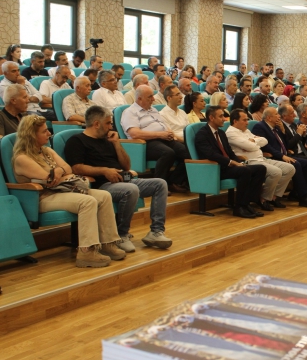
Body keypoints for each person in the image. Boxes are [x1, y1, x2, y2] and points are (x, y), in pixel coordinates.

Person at [12, 115, 124, 267]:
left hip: (61, 192)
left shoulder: (46, 150)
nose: (49, 133)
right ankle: (86, 252)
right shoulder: (22, 158)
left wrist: (59, 171)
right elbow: (49, 179)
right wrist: (59, 172)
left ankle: (107, 244)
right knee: (87, 201)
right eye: (44, 131)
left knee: (104, 196)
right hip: (42, 198)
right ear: (31, 135)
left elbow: (68, 168)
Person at [65, 105, 172, 252]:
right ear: (96, 124)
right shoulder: (76, 141)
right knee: (131, 189)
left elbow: (126, 165)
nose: (111, 127)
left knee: (160, 184)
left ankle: (156, 232)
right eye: (108, 123)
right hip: (101, 185)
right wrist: (104, 171)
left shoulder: (108, 140)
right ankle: (121, 235)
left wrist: (116, 143)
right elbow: (76, 168)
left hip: (123, 180)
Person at [195, 107, 266, 219]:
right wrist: (232, 162)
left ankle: (247, 203)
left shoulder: (221, 133)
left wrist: (238, 162)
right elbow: (211, 154)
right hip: (215, 168)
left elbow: (230, 152)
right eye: (221, 116)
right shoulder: (202, 134)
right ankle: (239, 207)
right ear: (211, 118)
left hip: (227, 166)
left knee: (260, 169)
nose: (224, 119)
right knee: (245, 171)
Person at [121, 85, 190, 193]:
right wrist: (159, 134)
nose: (153, 99)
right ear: (139, 98)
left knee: (188, 153)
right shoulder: (130, 112)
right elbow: (134, 134)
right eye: (150, 97)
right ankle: (158, 187)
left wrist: (169, 132)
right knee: (168, 153)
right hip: (145, 143)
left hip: (164, 138)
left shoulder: (153, 109)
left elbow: (163, 125)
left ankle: (173, 181)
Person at [226, 108, 294, 211]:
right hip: (250, 162)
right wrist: (255, 142)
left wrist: (253, 141)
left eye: (247, 120)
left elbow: (265, 141)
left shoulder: (246, 130)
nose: (247, 123)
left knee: (290, 169)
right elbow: (251, 146)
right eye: (244, 120)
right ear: (235, 121)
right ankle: (264, 199)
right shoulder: (231, 133)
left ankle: (273, 196)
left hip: (262, 158)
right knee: (276, 172)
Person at [253, 108, 307, 208]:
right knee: (296, 164)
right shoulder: (260, 127)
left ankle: (295, 193)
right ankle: (303, 197)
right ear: (269, 118)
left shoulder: (277, 127)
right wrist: (282, 156)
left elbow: (286, 145)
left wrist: (283, 131)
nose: (279, 116)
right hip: (272, 157)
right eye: (276, 114)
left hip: (284, 155)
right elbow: (266, 147)